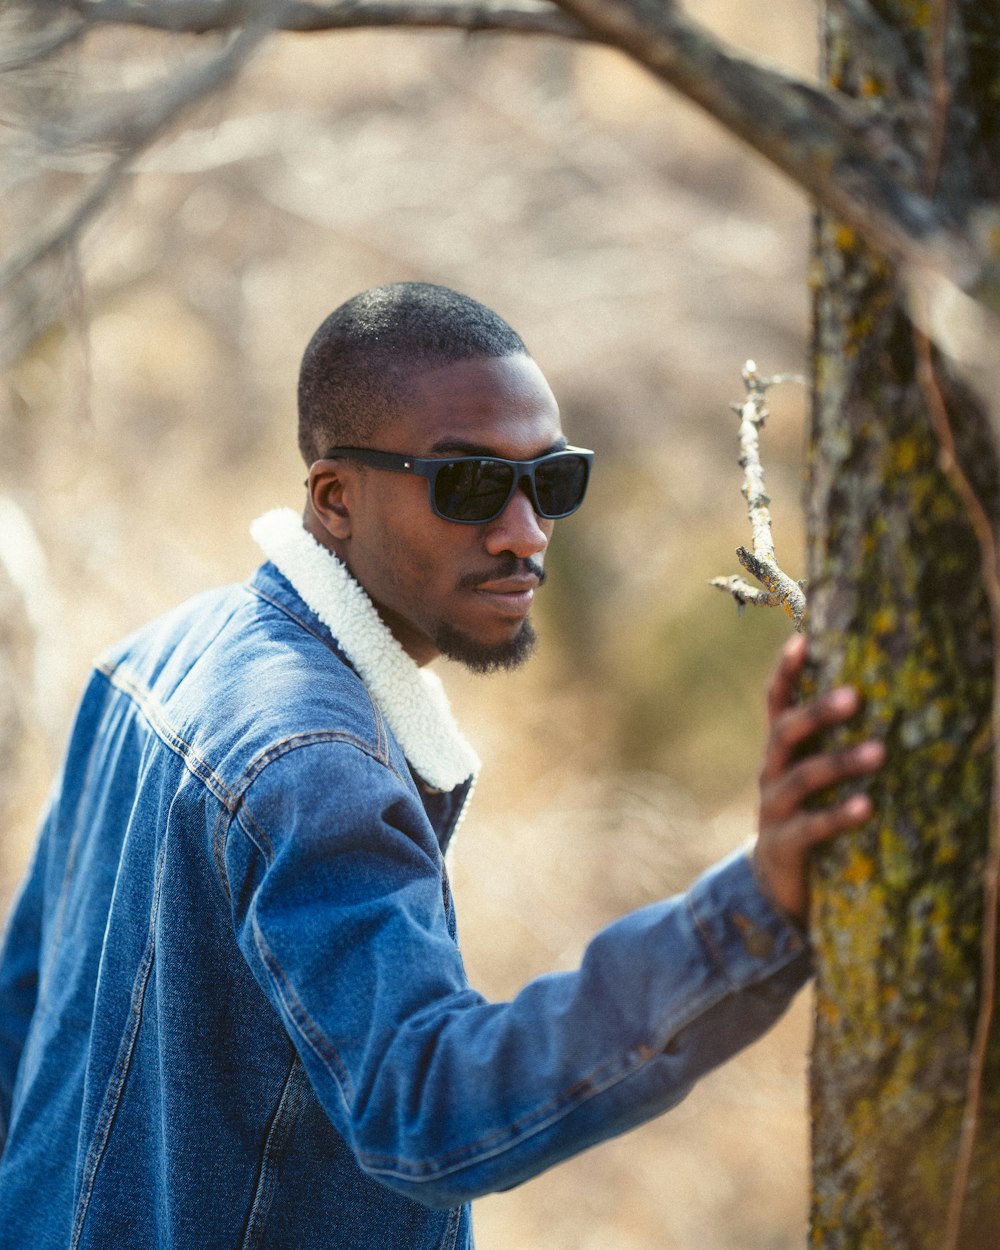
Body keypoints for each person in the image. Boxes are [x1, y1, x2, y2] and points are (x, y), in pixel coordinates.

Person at [0, 282, 883, 1249]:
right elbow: (430, 1108)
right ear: (334, 498)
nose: (525, 532)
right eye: (468, 486)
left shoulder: (153, 658)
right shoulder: (313, 765)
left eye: (552, 481)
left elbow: (24, 1025)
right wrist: (749, 910)